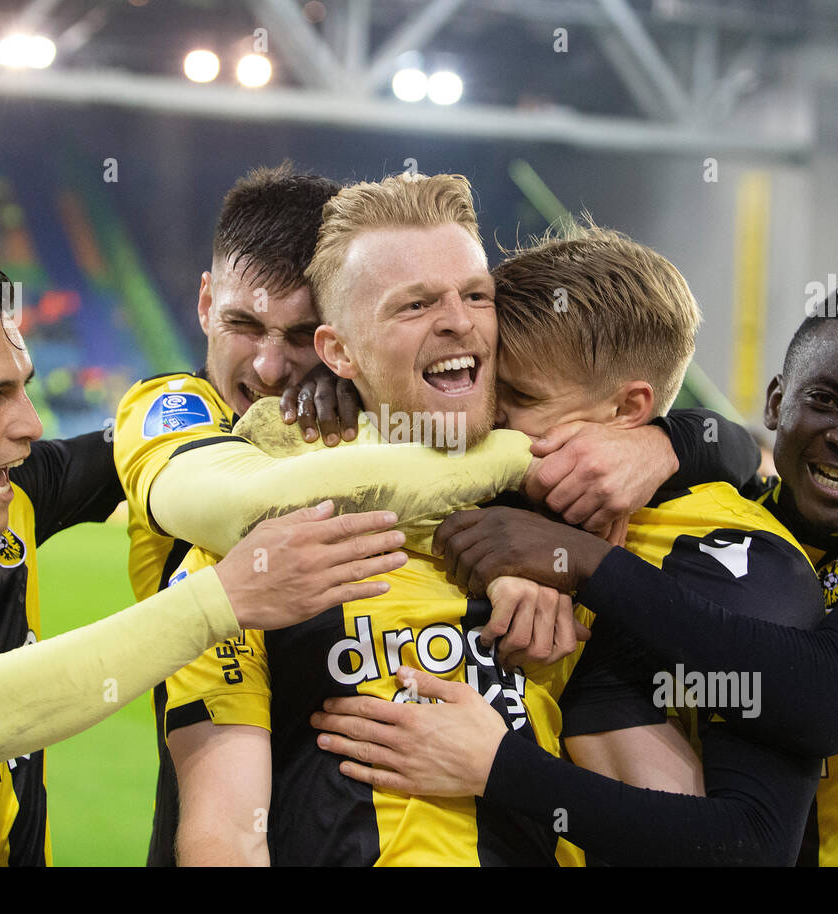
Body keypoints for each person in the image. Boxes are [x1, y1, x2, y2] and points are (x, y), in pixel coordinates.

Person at [116, 164, 758, 864]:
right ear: (339, 354)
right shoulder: (264, 545)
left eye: (476, 295)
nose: (456, 320)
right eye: (413, 305)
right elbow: (226, 834)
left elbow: (718, 831)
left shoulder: (582, 516)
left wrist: (681, 441)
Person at [0, 254, 408, 865]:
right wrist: (222, 599)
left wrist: (324, 373)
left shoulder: (5, 495)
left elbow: (161, 437)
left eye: (26, 389)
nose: (32, 424)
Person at [394, 278, 838, 866]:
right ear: (776, 403)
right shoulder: (738, 511)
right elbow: (725, 445)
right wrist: (664, 443)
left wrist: (583, 562)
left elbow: (825, 700)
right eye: (824, 401)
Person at [311, 226, 827, 865]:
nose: (488, 413)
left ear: (629, 412)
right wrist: (328, 385)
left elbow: (744, 852)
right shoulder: (509, 501)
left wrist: (499, 768)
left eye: (520, 398)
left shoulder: (731, 561)